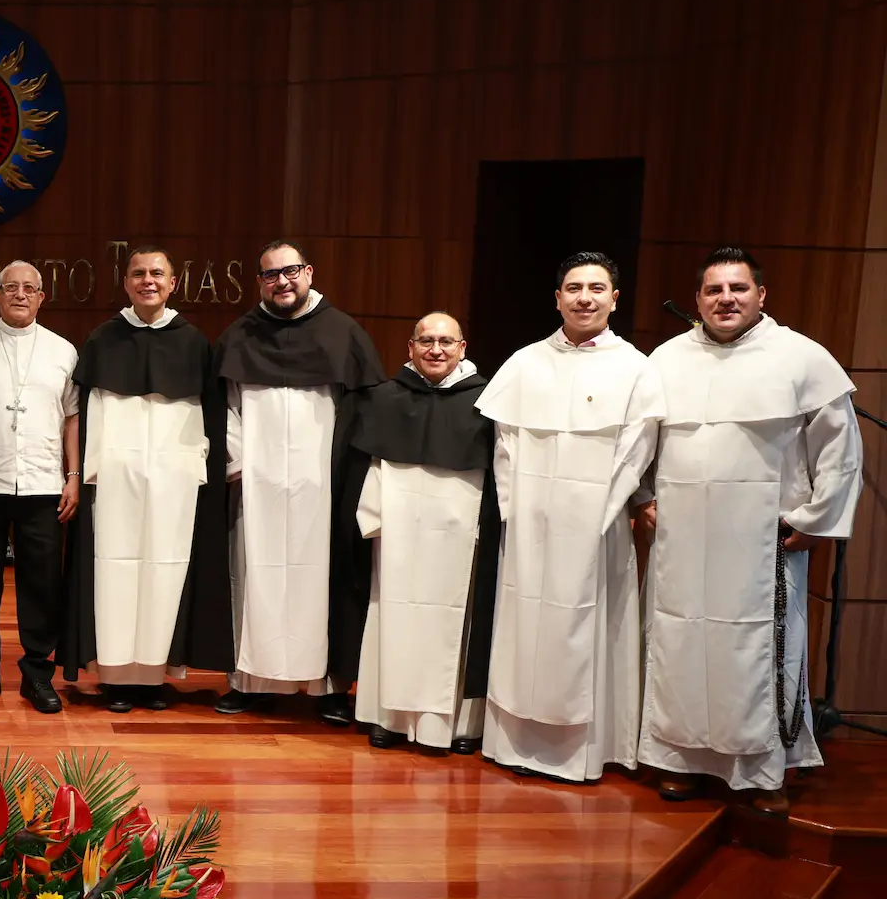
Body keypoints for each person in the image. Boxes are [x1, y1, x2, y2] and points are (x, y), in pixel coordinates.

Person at [638, 249, 863, 814]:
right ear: (697, 301)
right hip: (683, 542)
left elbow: (839, 446)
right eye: (713, 290)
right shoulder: (666, 358)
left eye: (738, 288)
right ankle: (680, 759)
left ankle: (765, 771)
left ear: (762, 295)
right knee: (680, 643)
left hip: (767, 539)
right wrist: (640, 497)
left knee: (760, 652)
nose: (726, 299)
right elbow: (635, 441)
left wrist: (817, 520)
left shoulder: (801, 357)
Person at [476, 253, 664, 783]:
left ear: (614, 299)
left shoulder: (635, 368)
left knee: (587, 627)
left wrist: (598, 515)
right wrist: (517, 511)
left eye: (596, 288)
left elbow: (636, 450)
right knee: (523, 626)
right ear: (557, 297)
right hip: (530, 526)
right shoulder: (525, 362)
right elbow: (505, 445)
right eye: (574, 287)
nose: (585, 297)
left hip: (596, 529)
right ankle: (512, 743)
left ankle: (584, 751)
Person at [212, 240, 385, 723]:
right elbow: (223, 408)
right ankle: (250, 681)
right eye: (270, 275)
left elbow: (363, 412)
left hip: (321, 484)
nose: (282, 282)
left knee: (322, 578)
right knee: (254, 576)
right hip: (257, 484)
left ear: (308, 272)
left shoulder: (343, 333)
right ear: (260, 282)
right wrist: (241, 464)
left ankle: (328, 686)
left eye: (290, 272)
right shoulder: (240, 335)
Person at [57, 247, 232, 712]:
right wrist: (90, 472)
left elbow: (207, 417)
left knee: (164, 568)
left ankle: (154, 674)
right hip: (114, 478)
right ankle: (114, 674)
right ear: (126, 282)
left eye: (157, 273)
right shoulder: (103, 339)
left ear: (173, 282)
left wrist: (195, 470)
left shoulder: (193, 341)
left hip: (173, 479)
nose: (148, 280)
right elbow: (88, 411)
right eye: (138, 273)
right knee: (114, 568)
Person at [348, 312, 499, 755]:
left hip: (457, 532)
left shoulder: (485, 400)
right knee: (391, 614)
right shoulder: (387, 398)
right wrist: (373, 518)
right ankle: (388, 718)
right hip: (398, 532)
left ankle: (445, 727)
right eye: (427, 341)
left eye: (446, 342)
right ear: (410, 348)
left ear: (462, 347)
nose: (436, 350)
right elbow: (372, 465)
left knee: (452, 621)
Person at [0, 261, 80, 714]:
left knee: (41, 585)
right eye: (11, 288)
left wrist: (73, 475)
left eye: (29, 288)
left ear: (42, 296)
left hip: (44, 483)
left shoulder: (63, 351)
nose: (20, 295)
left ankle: (36, 675)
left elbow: (72, 418)